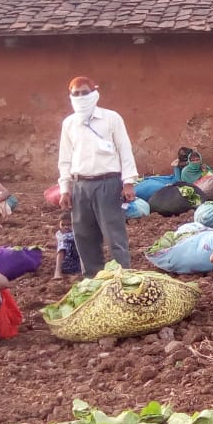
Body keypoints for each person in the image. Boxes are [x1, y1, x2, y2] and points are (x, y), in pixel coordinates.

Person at [57, 76, 138, 276]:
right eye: (76, 94)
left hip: (108, 183)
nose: (81, 97)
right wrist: (65, 189)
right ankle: (92, 279)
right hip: (80, 185)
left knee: (114, 234)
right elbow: (65, 158)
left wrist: (128, 182)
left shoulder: (111, 118)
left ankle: (123, 277)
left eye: (85, 92)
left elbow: (125, 151)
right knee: (84, 235)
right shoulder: (69, 123)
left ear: (95, 92)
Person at [54, 212, 80, 279]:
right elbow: (64, 238)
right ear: (59, 225)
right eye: (62, 225)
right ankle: (57, 271)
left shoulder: (77, 232)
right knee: (63, 244)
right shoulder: (59, 233)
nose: (66, 227)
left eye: (69, 224)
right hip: (66, 265)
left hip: (79, 265)